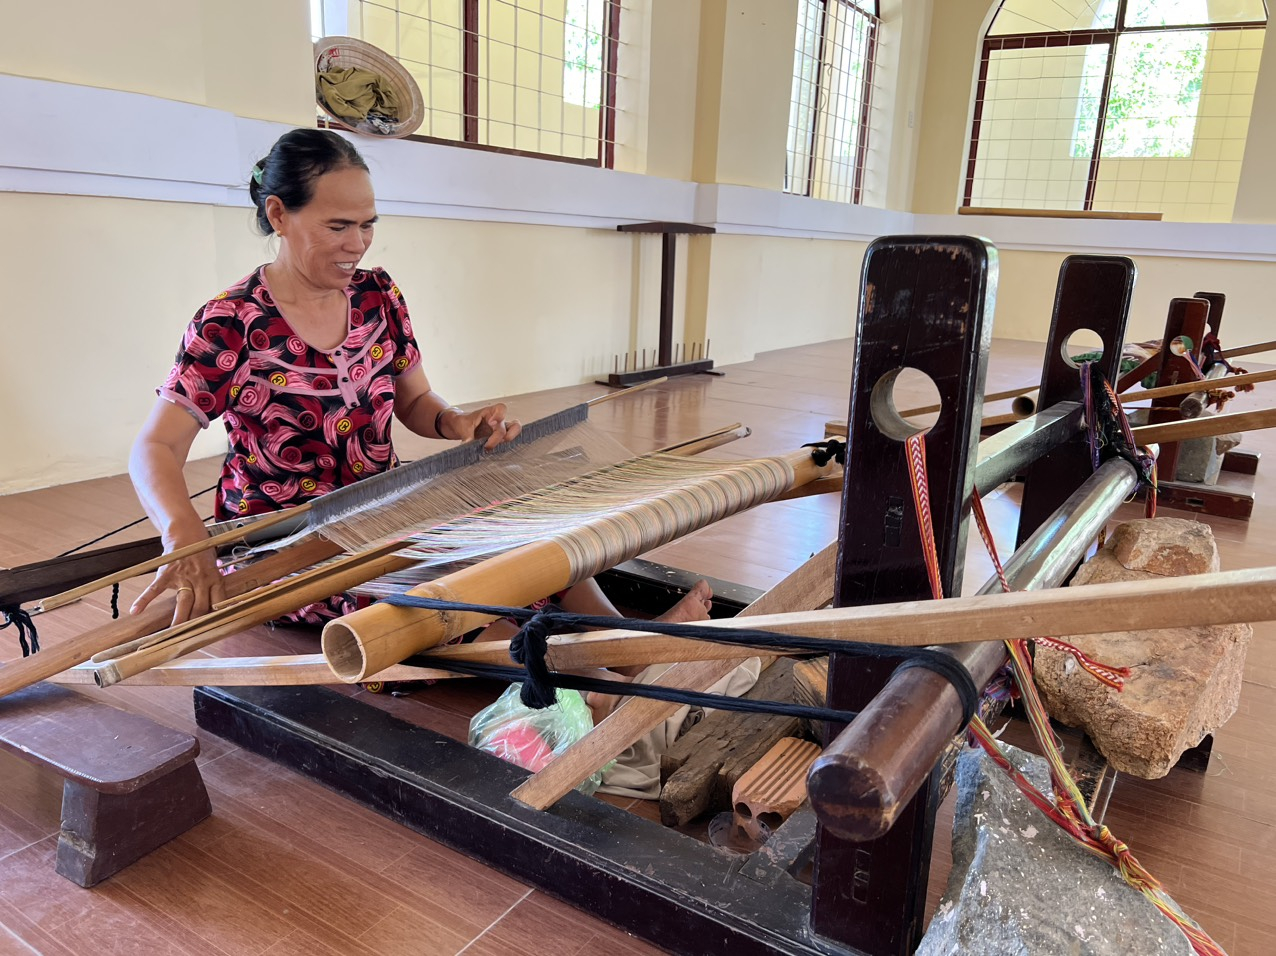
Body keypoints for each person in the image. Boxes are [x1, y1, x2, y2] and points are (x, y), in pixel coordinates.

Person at [128, 128, 713, 651]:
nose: (358, 243)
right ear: (279, 214)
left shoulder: (377, 295)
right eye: (338, 226)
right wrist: (187, 540)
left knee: (518, 524)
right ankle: (600, 674)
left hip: (386, 504)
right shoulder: (230, 322)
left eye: (367, 225)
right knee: (445, 594)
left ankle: (629, 648)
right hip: (291, 541)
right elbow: (154, 449)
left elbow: (415, 402)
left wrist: (457, 422)